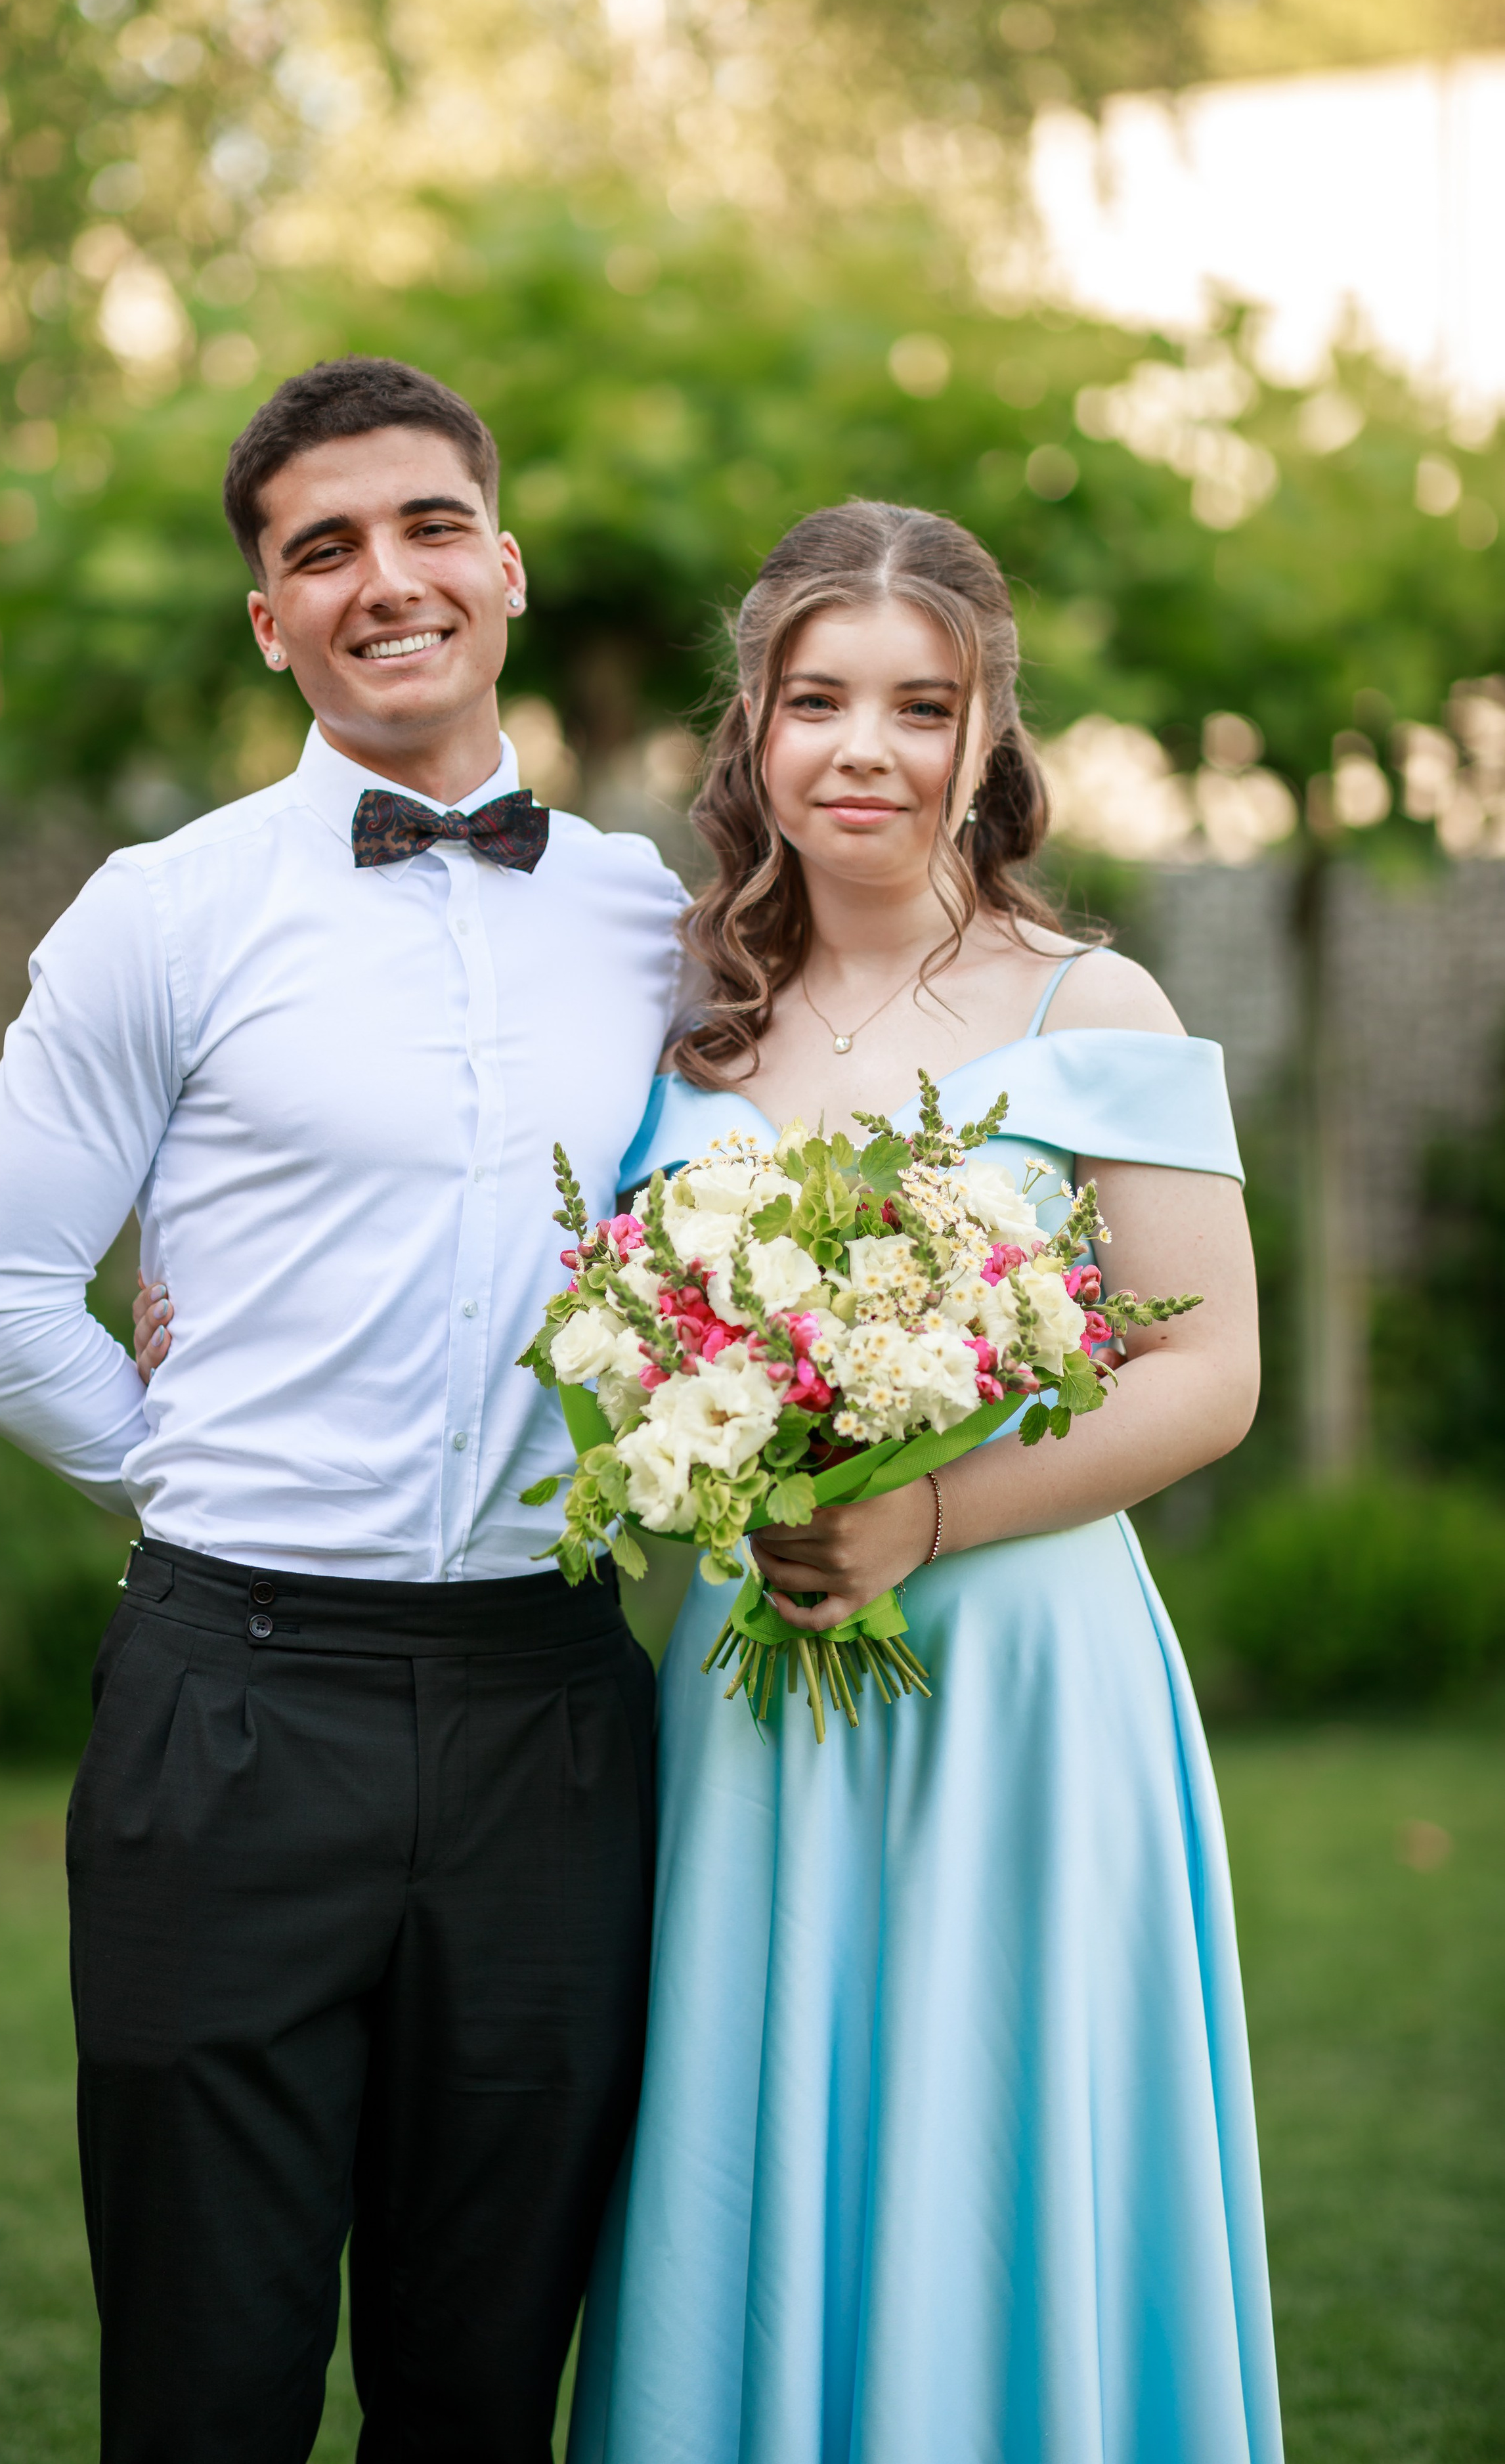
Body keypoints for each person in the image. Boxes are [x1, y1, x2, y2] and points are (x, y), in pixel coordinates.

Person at [0, 357, 686, 2464]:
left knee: (481, 2381)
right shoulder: (164, 915)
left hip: (553, 1709)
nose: (387, 580)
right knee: (209, 2381)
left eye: (429, 526)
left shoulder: (661, 921)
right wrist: (214, 1467)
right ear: (272, 620)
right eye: (321, 550)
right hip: (233, 1708)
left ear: (502, 564)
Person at [565, 502, 1284, 2464]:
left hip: (1026, 1685)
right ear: (754, 727)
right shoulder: (680, 1030)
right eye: (817, 700)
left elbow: (1211, 1369)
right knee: (756, 2113)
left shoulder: (1091, 1007)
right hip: (751, 1677)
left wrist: (933, 1510)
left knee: (999, 2127)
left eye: (916, 704)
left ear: (989, 739)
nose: (860, 748)